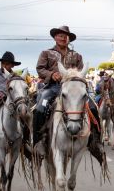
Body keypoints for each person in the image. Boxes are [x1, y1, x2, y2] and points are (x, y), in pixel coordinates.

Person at [33, 25, 105, 165]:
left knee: (93, 106)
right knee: (40, 107)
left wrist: (76, 78)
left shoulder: (76, 56)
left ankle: (96, 142)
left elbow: (81, 73)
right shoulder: (46, 53)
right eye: (60, 35)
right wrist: (51, 74)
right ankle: (38, 142)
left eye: (66, 36)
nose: (63, 38)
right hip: (53, 87)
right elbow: (40, 69)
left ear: (68, 39)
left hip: (73, 88)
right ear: (55, 37)